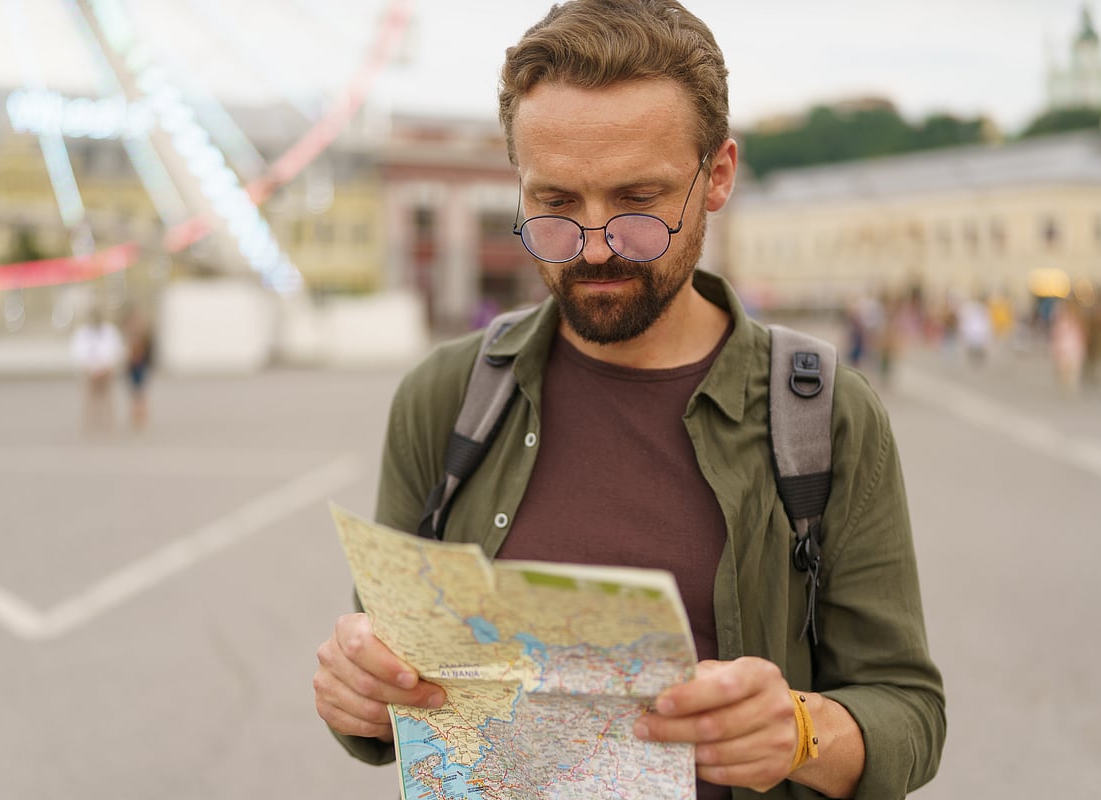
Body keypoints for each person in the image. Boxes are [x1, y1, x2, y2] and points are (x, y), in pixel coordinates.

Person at [313, 2, 945, 798]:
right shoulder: (446, 396)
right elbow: (385, 681)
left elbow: (909, 711)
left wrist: (802, 731)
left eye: (638, 201)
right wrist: (356, 693)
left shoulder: (824, 415)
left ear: (717, 176)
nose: (596, 242)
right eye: (555, 204)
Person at [69, 308, 124, 433]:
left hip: (106, 373)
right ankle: (90, 426)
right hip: (89, 373)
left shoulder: (109, 331)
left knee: (107, 402)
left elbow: (116, 351)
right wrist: (89, 369)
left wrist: (107, 367)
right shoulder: (82, 333)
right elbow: (77, 353)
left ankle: (108, 427)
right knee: (90, 402)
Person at [122, 306, 155, 430]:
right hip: (132, 365)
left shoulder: (143, 334)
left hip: (141, 365)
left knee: (140, 392)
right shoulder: (130, 332)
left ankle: (141, 417)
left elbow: (147, 349)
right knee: (134, 392)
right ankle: (136, 416)